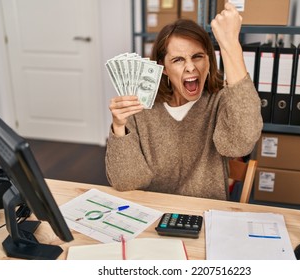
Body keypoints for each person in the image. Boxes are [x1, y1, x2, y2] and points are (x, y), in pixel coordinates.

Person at [105, 2, 263, 200]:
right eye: (178, 60)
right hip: (153, 214)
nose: (190, 67)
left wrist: (230, 45)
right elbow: (127, 182)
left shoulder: (221, 101)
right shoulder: (141, 105)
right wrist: (119, 128)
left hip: (205, 216)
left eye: (197, 57)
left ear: (208, 60)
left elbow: (238, 146)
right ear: (162, 67)